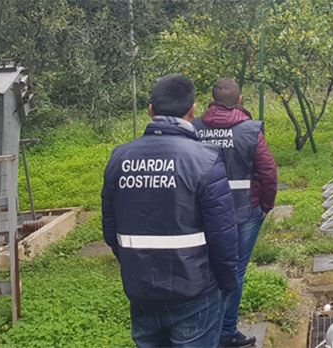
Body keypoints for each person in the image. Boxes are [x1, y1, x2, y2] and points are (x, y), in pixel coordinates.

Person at [102, 74, 239, 347]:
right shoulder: (205, 160)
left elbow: (110, 230)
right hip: (195, 292)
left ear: (151, 111)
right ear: (193, 110)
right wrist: (226, 284)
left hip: (142, 292)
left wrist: (139, 266)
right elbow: (223, 236)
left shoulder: (120, 158)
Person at [192, 78, 278, 348]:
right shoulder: (250, 131)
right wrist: (266, 206)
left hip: (203, 213)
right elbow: (268, 171)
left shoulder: (193, 130)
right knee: (235, 270)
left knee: (206, 270)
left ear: (211, 101)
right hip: (243, 211)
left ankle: (204, 329)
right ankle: (227, 332)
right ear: (240, 100)